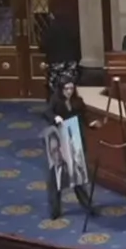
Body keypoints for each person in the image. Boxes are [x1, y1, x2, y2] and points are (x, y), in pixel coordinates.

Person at [43, 80, 99, 218]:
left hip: (74, 140)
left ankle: (88, 206)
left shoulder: (78, 101)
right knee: (56, 177)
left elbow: (85, 116)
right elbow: (47, 112)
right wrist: (55, 117)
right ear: (61, 89)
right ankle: (55, 211)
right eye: (66, 88)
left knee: (77, 175)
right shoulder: (55, 100)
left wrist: (91, 123)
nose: (69, 91)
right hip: (58, 142)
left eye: (71, 88)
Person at [38, 11, 80, 97]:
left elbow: (43, 46)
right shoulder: (72, 29)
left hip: (55, 61)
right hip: (70, 61)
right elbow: (77, 46)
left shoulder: (51, 30)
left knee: (55, 85)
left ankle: (56, 101)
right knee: (68, 83)